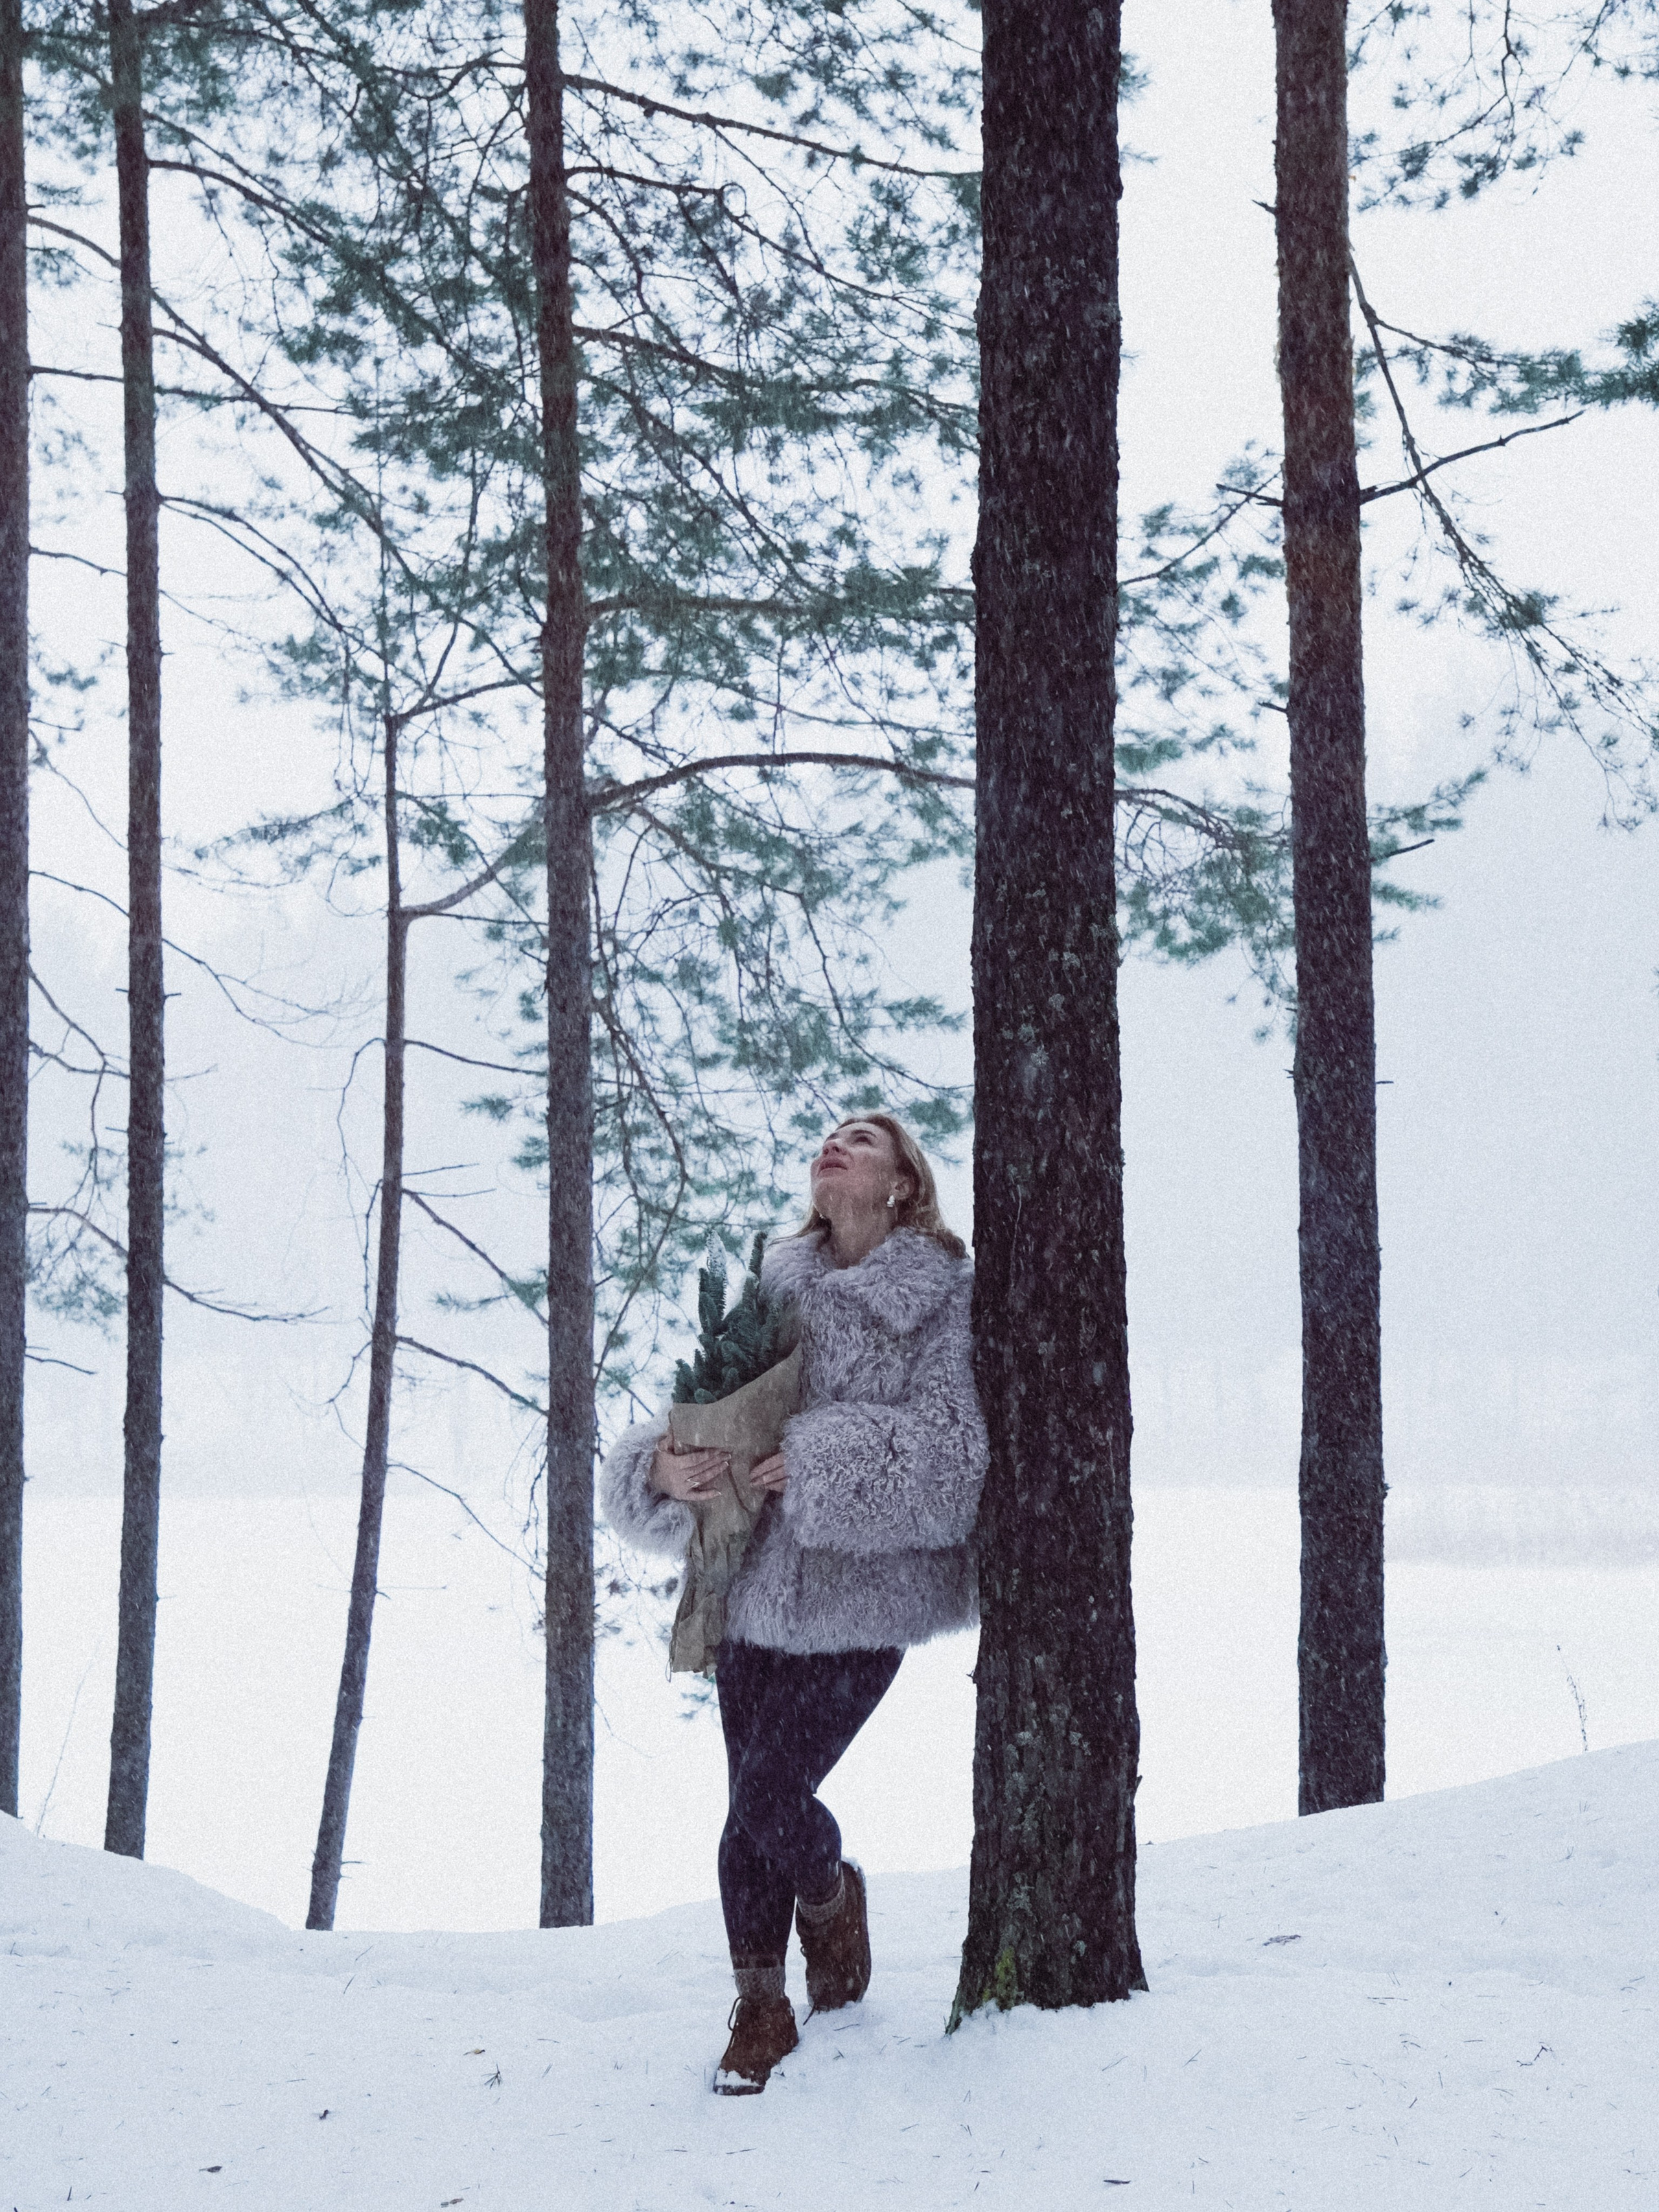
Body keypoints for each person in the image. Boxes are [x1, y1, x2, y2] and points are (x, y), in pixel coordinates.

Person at [599, 1112, 988, 2095]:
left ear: (904, 1181)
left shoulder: (942, 1299)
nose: (837, 1142)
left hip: (869, 1603)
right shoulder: (777, 1286)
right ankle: (762, 2007)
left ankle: (830, 1892)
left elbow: (955, 1457)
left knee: (769, 1797)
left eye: (864, 1137)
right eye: (828, 1136)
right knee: (747, 1812)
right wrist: (666, 1467)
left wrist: (815, 1457)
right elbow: (711, 1396)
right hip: (754, 1598)